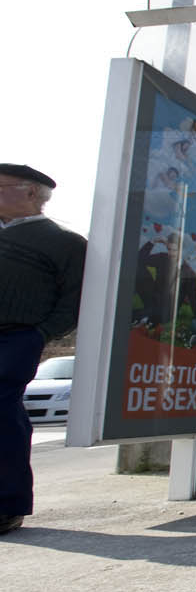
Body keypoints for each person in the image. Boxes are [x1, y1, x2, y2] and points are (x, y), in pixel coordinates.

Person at [0, 164, 86, 536]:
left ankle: (8, 504)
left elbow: (74, 300)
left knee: (2, 410)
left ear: (31, 193)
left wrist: (41, 334)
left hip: (16, 337)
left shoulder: (65, 243)